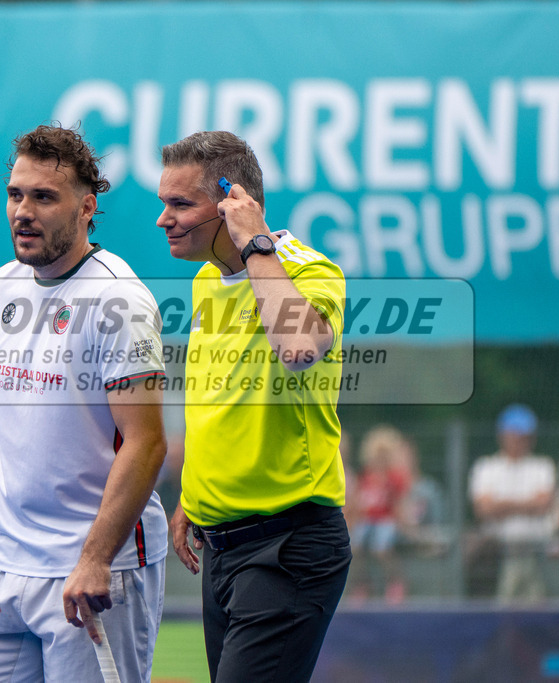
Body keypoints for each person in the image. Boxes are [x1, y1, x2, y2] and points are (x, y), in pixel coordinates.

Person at [0, 125, 169, 683]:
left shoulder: (119, 298)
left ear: (87, 207)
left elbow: (146, 443)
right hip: (1, 563)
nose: (24, 210)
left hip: (91, 569)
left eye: (44, 197)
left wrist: (94, 559)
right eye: (16, 194)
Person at [158, 130, 350, 681]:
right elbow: (218, 396)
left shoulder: (309, 268)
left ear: (232, 202)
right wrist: (195, 494)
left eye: (180, 204)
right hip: (221, 548)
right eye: (163, 203)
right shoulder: (204, 280)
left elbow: (297, 348)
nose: (163, 219)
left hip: (289, 545)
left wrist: (256, 242)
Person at [469, 403, 556, 603]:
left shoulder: (542, 466)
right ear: (502, 435)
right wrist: (527, 505)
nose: (518, 440)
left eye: (523, 435)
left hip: (535, 549)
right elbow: (483, 509)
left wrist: (502, 505)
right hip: (497, 553)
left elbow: (543, 505)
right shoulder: (486, 467)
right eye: (513, 434)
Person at [349, 425, 411, 604]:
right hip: (368, 520)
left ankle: (395, 583)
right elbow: (357, 504)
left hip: (387, 520)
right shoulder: (366, 477)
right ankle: (361, 585)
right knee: (356, 546)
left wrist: (404, 523)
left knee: (381, 547)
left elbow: (400, 504)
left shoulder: (395, 478)